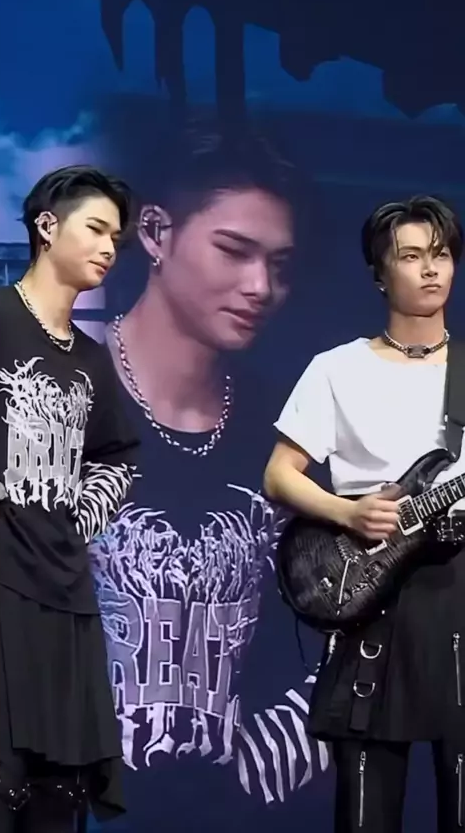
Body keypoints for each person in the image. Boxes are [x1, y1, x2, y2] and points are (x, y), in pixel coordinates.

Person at [90, 121, 328, 833]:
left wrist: (257, 772)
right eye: (234, 250)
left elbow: (346, 631)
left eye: (280, 265)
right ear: (155, 233)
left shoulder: (288, 431)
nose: (261, 287)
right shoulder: (50, 401)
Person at [264, 195, 465, 833]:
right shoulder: (336, 369)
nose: (431, 269)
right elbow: (278, 475)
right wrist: (348, 514)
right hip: (372, 596)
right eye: (412, 256)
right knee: (366, 811)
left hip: (459, 597)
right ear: (380, 272)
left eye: (442, 255)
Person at [0, 165, 139, 832]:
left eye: (116, 238)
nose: (108, 247)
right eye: (96, 228)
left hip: (64, 592)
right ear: (47, 227)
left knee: (57, 794)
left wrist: (77, 517)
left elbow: (120, 455)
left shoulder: (92, 360)